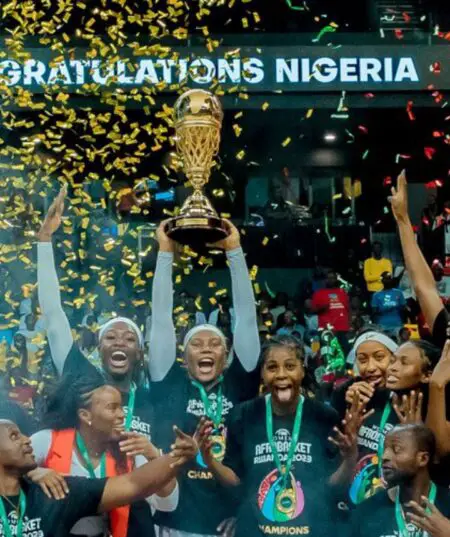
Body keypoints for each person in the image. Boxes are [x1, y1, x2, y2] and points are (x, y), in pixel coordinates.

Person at [149, 220, 260, 537]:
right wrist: (165, 253)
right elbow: (161, 320)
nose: (207, 348)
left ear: (227, 355)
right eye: (196, 344)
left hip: (227, 525)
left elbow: (247, 319)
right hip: (173, 525)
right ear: (183, 358)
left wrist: (234, 252)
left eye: (215, 344)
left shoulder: (240, 385)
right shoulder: (170, 383)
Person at [196, 336, 356, 537]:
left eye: (290, 366)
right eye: (272, 367)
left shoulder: (324, 416)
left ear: (302, 370)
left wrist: (350, 458)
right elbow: (236, 482)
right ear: (262, 373)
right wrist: (210, 461)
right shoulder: (243, 415)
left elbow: (333, 486)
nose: (281, 374)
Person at [37, 187, 155, 440]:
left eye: (129, 339)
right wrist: (44, 239)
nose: (119, 342)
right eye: (110, 338)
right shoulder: (81, 378)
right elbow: (53, 315)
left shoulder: (153, 398)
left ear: (140, 353)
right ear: (99, 349)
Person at [30, 374, 178, 537]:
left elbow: (167, 503)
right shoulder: (48, 441)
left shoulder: (127, 449)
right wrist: (34, 472)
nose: (122, 414)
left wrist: (154, 455)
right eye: (112, 408)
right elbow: (11, 471)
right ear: (85, 415)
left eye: (121, 407)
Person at [0, 415, 197, 537]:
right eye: (14, 436)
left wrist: (177, 455)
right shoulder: (48, 446)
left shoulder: (54, 491)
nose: (27, 440)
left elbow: (133, 484)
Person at [333, 331, 441, 505]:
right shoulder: (367, 400)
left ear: (427, 375)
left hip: (397, 509)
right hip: (354, 504)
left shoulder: (430, 415)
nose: (392, 368)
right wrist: (344, 398)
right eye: (393, 361)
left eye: (403, 363)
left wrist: (417, 442)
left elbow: (436, 469)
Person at [351, 424, 450, 537]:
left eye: (396, 449)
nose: (384, 456)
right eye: (385, 449)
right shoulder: (367, 511)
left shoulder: (447, 504)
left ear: (423, 459)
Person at [389, 170, 448, 349]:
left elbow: (425, 288)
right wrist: (402, 220)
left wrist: (403, 220)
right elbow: (423, 288)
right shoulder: (447, 330)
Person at [311, 269, 350, 352]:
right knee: (326, 352)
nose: (331, 280)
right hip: (326, 328)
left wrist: (349, 324)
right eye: (328, 278)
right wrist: (321, 308)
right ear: (325, 280)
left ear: (336, 279)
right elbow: (313, 310)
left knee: (345, 352)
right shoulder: (319, 293)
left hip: (342, 328)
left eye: (333, 278)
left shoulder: (342, 292)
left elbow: (348, 309)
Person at [371, 272, 406, 337]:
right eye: (386, 279)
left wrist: (403, 324)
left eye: (389, 278)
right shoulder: (376, 295)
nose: (387, 281)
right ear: (382, 280)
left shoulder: (398, 293)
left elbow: (403, 309)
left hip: (397, 324)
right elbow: (374, 312)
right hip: (382, 325)